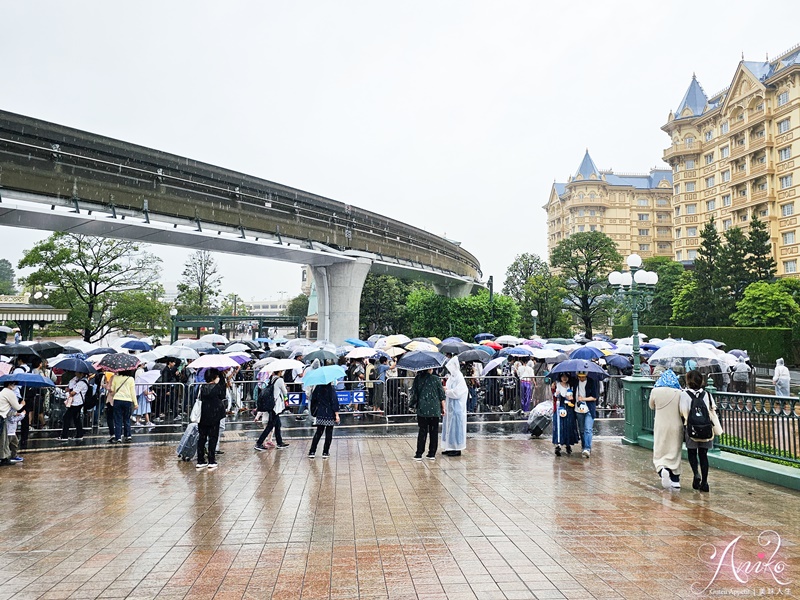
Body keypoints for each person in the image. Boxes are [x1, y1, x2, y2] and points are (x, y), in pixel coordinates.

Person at [680, 369, 723, 493]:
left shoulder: (684, 394)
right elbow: (712, 409)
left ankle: (696, 474)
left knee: (692, 453)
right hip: (706, 429)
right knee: (703, 455)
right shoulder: (707, 394)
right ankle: (704, 482)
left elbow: (683, 411)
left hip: (691, 428)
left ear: (688, 381)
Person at [648, 369, 683, 489]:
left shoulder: (655, 391)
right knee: (674, 449)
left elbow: (651, 406)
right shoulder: (679, 392)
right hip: (676, 425)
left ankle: (662, 468)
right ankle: (675, 479)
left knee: (660, 448)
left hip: (660, 425)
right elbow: (682, 410)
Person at [409, 368, 446, 461]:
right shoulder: (436, 379)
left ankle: (419, 453)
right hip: (435, 409)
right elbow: (441, 395)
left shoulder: (418, 379)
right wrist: (444, 408)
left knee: (422, 431)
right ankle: (432, 453)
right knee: (434, 431)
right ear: (430, 368)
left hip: (422, 408)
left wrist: (411, 404)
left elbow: (414, 394)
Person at [196, 368, 227, 470]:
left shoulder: (202, 387)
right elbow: (223, 396)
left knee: (202, 438)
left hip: (203, 416)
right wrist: (221, 378)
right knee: (213, 438)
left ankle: (200, 460)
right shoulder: (217, 388)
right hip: (214, 416)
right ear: (214, 377)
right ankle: (211, 460)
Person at [254, 370, 290, 450]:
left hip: (271, 405)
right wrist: (285, 387)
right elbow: (285, 392)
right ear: (280, 372)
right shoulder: (280, 380)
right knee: (270, 426)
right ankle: (259, 443)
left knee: (277, 425)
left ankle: (279, 442)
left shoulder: (272, 379)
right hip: (275, 406)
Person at [441, 356, 467, 457]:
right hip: (450, 406)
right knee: (449, 427)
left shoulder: (459, 377)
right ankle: (449, 446)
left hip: (457, 407)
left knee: (456, 428)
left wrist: (446, 391)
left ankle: (456, 448)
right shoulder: (452, 377)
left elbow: (458, 392)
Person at [307, 382, 339, 459]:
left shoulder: (318, 388)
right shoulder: (331, 389)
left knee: (318, 432)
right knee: (329, 433)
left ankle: (312, 451)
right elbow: (334, 402)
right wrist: (337, 415)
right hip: (329, 413)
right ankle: (325, 452)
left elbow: (313, 399)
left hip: (320, 413)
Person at [552, 372, 578, 457]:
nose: (564, 378)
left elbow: (573, 398)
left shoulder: (570, 386)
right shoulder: (556, 385)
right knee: (559, 426)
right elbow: (554, 396)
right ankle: (558, 445)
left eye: (566, 376)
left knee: (568, 426)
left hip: (569, 408)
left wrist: (571, 399)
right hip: (560, 407)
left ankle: (568, 444)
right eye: (562, 376)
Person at [573, 370, 598, 458]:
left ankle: (587, 448)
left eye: (583, 377)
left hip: (589, 409)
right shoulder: (575, 382)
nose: (581, 378)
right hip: (578, 409)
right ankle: (584, 446)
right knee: (582, 430)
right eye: (580, 377)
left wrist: (583, 399)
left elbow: (594, 397)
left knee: (588, 429)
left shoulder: (591, 382)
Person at [108, 369, 137, 443]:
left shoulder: (115, 378)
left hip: (117, 400)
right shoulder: (131, 379)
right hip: (128, 400)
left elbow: (112, 389)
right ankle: (128, 435)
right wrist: (135, 403)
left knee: (118, 420)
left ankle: (118, 437)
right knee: (127, 418)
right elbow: (133, 392)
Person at [0, 380, 25, 465]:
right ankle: (3, 458)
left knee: (3, 439)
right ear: (10, 385)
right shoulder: (9, 393)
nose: (14, 386)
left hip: (3, 416)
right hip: (1, 418)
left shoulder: (3, 392)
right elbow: (17, 407)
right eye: (13, 384)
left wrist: (15, 413)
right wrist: (22, 404)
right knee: (3, 440)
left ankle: (4, 457)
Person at [58, 371, 89, 441]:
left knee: (66, 417)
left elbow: (73, 392)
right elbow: (70, 386)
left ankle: (64, 435)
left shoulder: (82, 383)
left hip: (77, 403)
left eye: (77, 373)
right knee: (76, 418)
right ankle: (79, 434)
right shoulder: (77, 380)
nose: (76, 374)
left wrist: (68, 391)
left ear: (82, 374)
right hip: (75, 402)